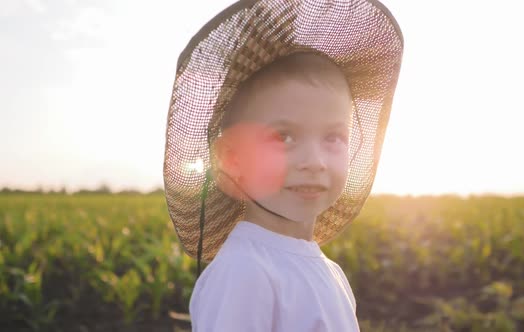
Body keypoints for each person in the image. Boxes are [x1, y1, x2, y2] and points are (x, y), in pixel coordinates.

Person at [162, 0, 404, 331]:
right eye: (285, 137)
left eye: (333, 137)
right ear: (233, 160)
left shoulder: (329, 272)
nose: (315, 162)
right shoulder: (245, 272)